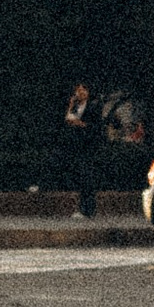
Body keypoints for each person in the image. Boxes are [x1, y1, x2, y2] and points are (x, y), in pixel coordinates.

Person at [60, 80, 101, 222]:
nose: (81, 92)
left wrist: (80, 124)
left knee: (87, 178)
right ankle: (84, 207)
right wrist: (71, 104)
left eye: (83, 90)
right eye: (78, 90)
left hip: (89, 147)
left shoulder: (93, 107)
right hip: (77, 146)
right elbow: (67, 119)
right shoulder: (76, 106)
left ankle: (88, 209)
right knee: (81, 178)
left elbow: (96, 127)